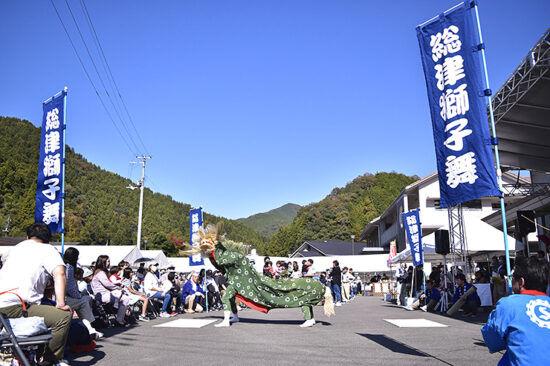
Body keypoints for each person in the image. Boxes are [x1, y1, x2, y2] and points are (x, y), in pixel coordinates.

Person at [0, 223, 72, 366]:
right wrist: (61, 303)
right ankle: (50, 361)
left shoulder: (16, 248)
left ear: (27, 237)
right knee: (63, 316)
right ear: (48, 239)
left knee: (44, 306)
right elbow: (60, 273)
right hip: (17, 306)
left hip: (3, 303)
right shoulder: (48, 249)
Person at [482, 256, 550, 365]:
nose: (511, 279)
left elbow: (492, 342)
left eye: (512, 277)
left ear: (521, 282)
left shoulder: (508, 304)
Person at [63, 247, 103, 339]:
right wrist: (79, 295)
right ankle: (91, 327)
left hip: (63, 297)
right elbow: (70, 288)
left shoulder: (64, 265)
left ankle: (90, 329)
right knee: (85, 301)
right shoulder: (69, 268)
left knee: (85, 301)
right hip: (65, 298)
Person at [91, 255, 130, 326]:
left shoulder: (104, 272)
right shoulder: (100, 272)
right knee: (119, 292)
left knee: (126, 299)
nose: (109, 263)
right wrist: (118, 288)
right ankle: (116, 307)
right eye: (108, 261)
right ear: (103, 262)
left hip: (108, 294)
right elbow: (107, 284)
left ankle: (119, 320)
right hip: (102, 296)